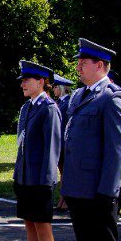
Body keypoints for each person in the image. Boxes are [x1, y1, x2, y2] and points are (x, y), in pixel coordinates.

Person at [61, 38, 121, 241]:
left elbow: (117, 149)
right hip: (79, 188)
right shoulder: (80, 96)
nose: (78, 67)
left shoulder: (112, 97)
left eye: (83, 63)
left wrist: (108, 190)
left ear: (100, 65)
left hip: (99, 190)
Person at [14, 61, 62, 241]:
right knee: (30, 227)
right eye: (22, 80)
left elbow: (52, 148)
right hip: (25, 178)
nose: (23, 84)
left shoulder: (49, 109)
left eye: (27, 80)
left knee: (42, 228)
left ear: (41, 82)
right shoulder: (27, 108)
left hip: (40, 180)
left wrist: (46, 181)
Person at [52, 73, 74, 211]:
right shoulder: (59, 102)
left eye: (55, 86)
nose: (53, 89)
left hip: (64, 142)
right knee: (62, 173)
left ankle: (66, 200)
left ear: (61, 88)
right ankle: (62, 199)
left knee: (66, 173)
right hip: (59, 142)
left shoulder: (68, 102)